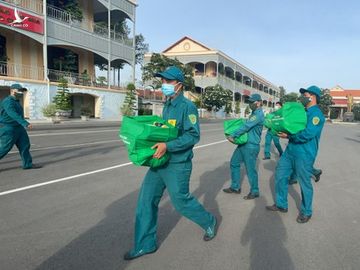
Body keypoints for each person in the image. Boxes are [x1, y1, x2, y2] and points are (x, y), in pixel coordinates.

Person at [124, 66, 217, 260]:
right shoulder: (167, 104)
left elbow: (193, 136)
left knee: (181, 202)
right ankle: (145, 244)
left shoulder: (187, 107)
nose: (164, 84)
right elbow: (165, 130)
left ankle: (209, 221)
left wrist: (168, 145)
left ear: (179, 85)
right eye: (163, 81)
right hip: (160, 162)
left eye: (168, 81)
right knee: (146, 201)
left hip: (178, 164)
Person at [266, 85, 325, 223]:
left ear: (313, 96)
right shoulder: (302, 112)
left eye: (306, 94)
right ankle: (281, 204)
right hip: (291, 150)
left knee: (304, 182)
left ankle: (306, 211)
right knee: (280, 175)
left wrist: (288, 136)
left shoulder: (316, 115)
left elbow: (307, 134)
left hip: (305, 153)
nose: (303, 96)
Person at [223, 93, 264, 199]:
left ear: (258, 103)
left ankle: (255, 191)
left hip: (251, 146)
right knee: (234, 163)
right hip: (244, 144)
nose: (250, 104)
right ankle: (235, 187)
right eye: (249, 102)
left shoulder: (258, 115)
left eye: (252, 102)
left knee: (250, 170)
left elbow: (246, 126)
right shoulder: (253, 113)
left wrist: (233, 135)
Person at [0, 83, 41, 169]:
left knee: (25, 145)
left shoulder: (16, 101)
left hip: (18, 128)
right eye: (19, 90)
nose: (21, 92)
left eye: (21, 90)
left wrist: (22, 124)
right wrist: (25, 123)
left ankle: (27, 164)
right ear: (12, 91)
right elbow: (12, 113)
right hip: (8, 128)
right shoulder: (8, 101)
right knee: (4, 148)